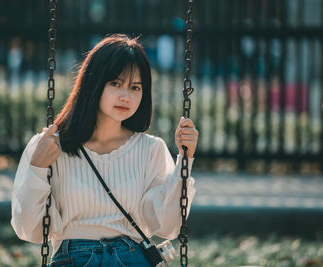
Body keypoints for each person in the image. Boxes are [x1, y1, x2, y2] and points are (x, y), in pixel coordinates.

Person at [11, 34, 199, 266]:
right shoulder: (50, 147)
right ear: (93, 83)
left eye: (135, 87)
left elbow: (168, 225)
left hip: (131, 257)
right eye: (115, 83)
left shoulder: (150, 150)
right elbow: (29, 229)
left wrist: (185, 161)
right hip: (74, 258)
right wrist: (38, 168)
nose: (125, 96)